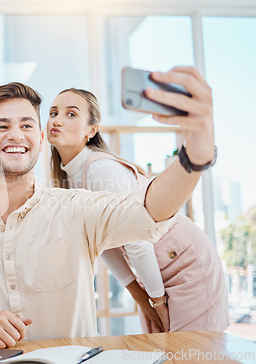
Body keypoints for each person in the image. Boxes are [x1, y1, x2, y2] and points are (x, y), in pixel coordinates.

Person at [0, 66, 217, 348]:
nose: (16, 135)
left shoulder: (78, 209)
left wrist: (196, 153)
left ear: (40, 140)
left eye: (26, 125)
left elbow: (148, 211)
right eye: (2, 126)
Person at [47, 88, 229, 333]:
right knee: (168, 354)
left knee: (190, 355)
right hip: (156, 272)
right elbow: (104, 243)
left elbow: (136, 238)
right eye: (53, 112)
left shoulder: (100, 170)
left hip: (186, 264)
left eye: (71, 114)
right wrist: (140, 295)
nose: (57, 120)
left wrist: (156, 300)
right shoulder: (70, 179)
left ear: (92, 130)